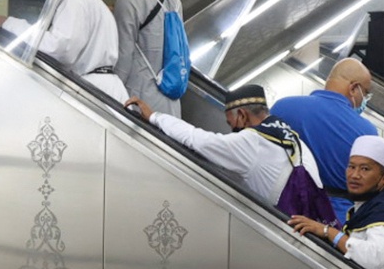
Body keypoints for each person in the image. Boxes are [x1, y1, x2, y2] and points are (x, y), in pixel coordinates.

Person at [127, 85, 323, 210]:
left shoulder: (251, 141)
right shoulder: (286, 133)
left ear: (243, 116)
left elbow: (198, 140)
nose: (232, 131)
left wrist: (155, 117)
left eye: (231, 124)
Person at [287, 136, 384, 269]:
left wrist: (328, 232)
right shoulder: (372, 203)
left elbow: (374, 259)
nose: (354, 175)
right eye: (351, 167)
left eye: (365, 169)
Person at [270, 57, 377, 223]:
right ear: (354, 88)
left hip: (287, 210)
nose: (365, 100)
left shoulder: (283, 108)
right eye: (366, 93)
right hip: (337, 219)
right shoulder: (367, 132)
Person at [115, 0, 184, 117]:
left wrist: (112, 94)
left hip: (139, 103)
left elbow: (124, 55)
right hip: (171, 106)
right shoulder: (174, 1)